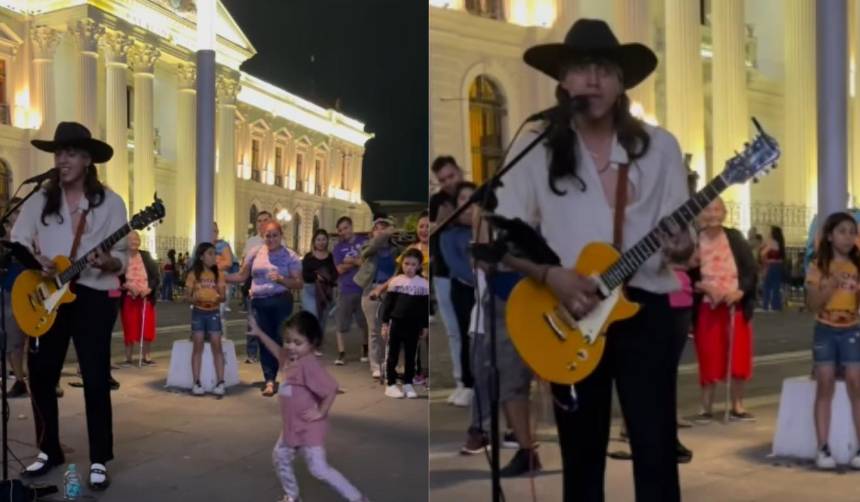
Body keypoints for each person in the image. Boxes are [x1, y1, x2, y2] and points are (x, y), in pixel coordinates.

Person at [490, 19, 695, 496]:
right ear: (563, 82)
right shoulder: (535, 145)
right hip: (570, 313)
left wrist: (681, 246)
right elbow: (504, 233)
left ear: (622, 81)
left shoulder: (659, 147)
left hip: (647, 311)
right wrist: (551, 276)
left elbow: (680, 240)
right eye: (581, 68)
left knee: (656, 447)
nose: (594, 79)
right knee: (580, 457)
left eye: (605, 69)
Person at [13, 121, 127, 490]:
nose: (62, 160)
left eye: (71, 154)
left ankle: (99, 458)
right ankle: (48, 450)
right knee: (42, 375)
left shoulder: (110, 203)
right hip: (48, 294)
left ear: (87, 160)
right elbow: (18, 238)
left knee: (95, 378)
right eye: (59, 153)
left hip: (93, 296)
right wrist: (38, 261)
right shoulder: (40, 199)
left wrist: (109, 262)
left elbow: (123, 254)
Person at [247, 311, 369, 502]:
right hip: (292, 426)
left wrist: (321, 411)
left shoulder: (308, 364)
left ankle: (356, 497)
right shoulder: (290, 359)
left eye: (298, 342)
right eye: (288, 341)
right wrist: (260, 333)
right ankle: (292, 496)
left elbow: (331, 388)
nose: (291, 347)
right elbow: (277, 351)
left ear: (312, 343)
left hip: (308, 428)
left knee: (319, 470)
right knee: (280, 458)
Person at [690, 198, 757, 423]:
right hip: (709, 305)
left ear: (725, 213)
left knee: (738, 355)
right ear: (699, 214)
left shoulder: (735, 238)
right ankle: (706, 407)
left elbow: (750, 270)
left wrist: (740, 291)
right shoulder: (693, 241)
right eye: (707, 209)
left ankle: (738, 405)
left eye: (717, 209)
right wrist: (704, 287)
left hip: (734, 304)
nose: (712, 214)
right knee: (709, 354)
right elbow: (686, 276)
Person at [804, 212, 860, 470]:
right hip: (825, 330)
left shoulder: (857, 266)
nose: (848, 237)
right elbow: (812, 304)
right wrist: (830, 287)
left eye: (852, 232)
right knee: (824, 384)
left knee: (855, 383)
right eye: (842, 231)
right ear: (829, 235)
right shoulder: (819, 266)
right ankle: (822, 448)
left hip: (852, 331)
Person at [227, 220, 303, 397]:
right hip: (259, 302)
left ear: (280, 236)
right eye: (267, 236)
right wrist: (220, 277)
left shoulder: (290, 256)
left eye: (274, 235)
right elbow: (241, 276)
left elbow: (299, 283)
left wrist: (282, 279)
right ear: (263, 237)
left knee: (280, 338)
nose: (271, 239)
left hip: (281, 301)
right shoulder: (255, 253)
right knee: (264, 340)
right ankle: (269, 380)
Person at [429, 156, 466, 403]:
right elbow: (432, 229)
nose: (448, 183)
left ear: (460, 172)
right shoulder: (437, 200)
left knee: (472, 329)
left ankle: (474, 382)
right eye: (442, 180)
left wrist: (450, 220)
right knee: (453, 329)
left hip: (469, 272)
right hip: (443, 271)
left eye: (451, 176)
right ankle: (461, 380)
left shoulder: (471, 195)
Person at [439, 182, 477, 407]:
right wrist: (476, 279)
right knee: (465, 335)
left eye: (473, 199)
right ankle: (467, 383)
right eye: (463, 199)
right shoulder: (450, 234)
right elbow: (455, 264)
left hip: (488, 291)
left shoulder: (486, 229)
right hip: (463, 289)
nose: (469, 204)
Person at [355, 216, 401, 379]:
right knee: (374, 330)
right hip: (371, 290)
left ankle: (389, 362)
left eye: (384, 227)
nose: (381, 230)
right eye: (377, 228)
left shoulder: (396, 249)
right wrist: (382, 236)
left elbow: (401, 269)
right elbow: (366, 252)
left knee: (390, 329)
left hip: (390, 290)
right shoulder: (369, 247)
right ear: (372, 232)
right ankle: (375, 365)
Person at [380, 248, 429, 399]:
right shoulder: (395, 282)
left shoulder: (424, 284)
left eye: (413, 264)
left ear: (419, 266)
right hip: (396, 323)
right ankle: (391, 383)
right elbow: (388, 305)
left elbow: (424, 308)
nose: (409, 267)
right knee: (392, 353)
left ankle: (408, 383)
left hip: (414, 325)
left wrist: (425, 326)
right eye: (406, 264)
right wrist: (385, 324)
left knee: (411, 355)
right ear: (402, 264)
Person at [185, 242, 227, 396]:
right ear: (201, 257)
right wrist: (194, 298)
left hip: (213, 313)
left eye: (214, 253)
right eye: (210, 253)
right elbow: (187, 296)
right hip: (198, 313)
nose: (214, 256)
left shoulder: (219, 274)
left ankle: (221, 382)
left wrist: (218, 297)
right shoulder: (193, 275)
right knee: (198, 345)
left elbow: (223, 297)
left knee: (217, 345)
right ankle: (196, 382)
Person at [331, 216, 369, 366]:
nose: (343, 232)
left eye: (345, 228)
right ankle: (341, 353)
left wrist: (351, 262)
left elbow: (366, 263)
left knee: (364, 322)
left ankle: (365, 348)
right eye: (340, 230)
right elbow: (338, 269)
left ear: (351, 226)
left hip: (362, 288)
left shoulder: (363, 242)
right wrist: (356, 262)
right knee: (340, 323)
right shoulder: (338, 248)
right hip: (345, 288)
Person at [119, 230, 160, 366]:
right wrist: (129, 287)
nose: (134, 242)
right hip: (129, 296)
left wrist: (148, 289)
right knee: (129, 326)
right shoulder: (121, 257)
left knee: (146, 326)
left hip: (145, 297)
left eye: (136, 239)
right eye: (131, 239)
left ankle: (146, 356)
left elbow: (155, 276)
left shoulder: (146, 256)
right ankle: (128, 358)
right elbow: (118, 278)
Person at [1, 197, 28, 398]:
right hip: (8, 292)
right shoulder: (3, 242)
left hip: (31, 292)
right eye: (14, 213)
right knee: (13, 340)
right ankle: (19, 380)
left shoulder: (32, 237)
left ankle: (46, 382)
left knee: (38, 342)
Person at [242, 210, 274, 363]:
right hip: (254, 286)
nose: (262, 223)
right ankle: (251, 352)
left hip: (272, 287)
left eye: (265, 220)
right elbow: (245, 264)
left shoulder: (277, 240)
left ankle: (268, 351)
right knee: (252, 320)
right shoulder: (251, 242)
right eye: (259, 221)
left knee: (269, 321)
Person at [301, 229, 338, 337]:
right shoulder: (309, 257)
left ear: (327, 241)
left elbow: (335, 273)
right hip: (310, 290)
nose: (321, 242)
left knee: (322, 320)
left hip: (325, 292)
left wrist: (327, 278)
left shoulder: (330, 257)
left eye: (323, 239)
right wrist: (316, 276)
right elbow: (304, 275)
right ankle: (310, 341)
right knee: (313, 316)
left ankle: (317, 342)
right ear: (314, 241)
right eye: (318, 239)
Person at [760, 225, 786, 312]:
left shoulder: (771, 242)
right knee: (776, 287)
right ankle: (776, 305)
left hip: (770, 265)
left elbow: (763, 254)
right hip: (778, 267)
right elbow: (781, 258)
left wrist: (765, 261)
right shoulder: (780, 243)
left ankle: (766, 305)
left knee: (767, 286)